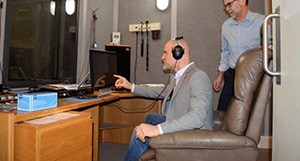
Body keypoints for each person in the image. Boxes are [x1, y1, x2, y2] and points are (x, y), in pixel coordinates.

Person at [114, 37, 214, 161]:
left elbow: (196, 118)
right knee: (151, 118)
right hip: (182, 123)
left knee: (138, 130)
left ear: (178, 53)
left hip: (194, 135)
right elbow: (159, 91)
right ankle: (149, 150)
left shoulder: (198, 77)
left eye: (165, 52)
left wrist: (157, 129)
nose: (162, 57)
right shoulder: (179, 78)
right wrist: (131, 86)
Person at [214, 0, 265, 111]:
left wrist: (267, 49)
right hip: (232, 74)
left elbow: (275, 46)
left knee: (247, 114)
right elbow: (226, 51)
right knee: (223, 111)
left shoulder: (262, 21)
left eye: (229, 4)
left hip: (252, 76)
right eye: (225, 6)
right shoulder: (226, 26)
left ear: (242, 1)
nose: (227, 9)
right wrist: (220, 75)